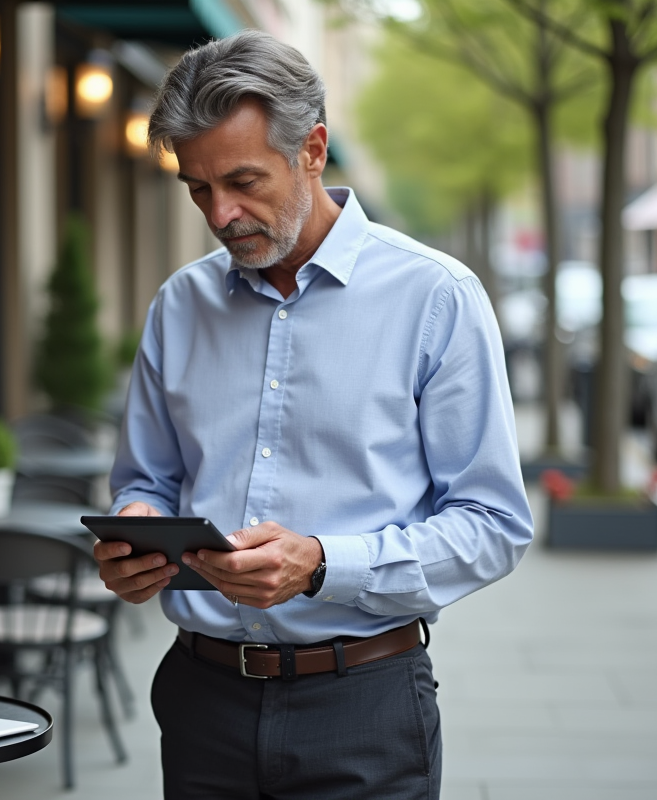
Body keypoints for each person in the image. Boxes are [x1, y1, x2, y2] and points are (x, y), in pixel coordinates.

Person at [93, 29, 533, 800]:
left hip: (364, 705)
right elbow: (148, 480)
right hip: (201, 703)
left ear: (313, 151)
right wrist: (137, 532)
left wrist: (324, 564)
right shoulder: (179, 305)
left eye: (243, 181)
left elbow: (493, 525)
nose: (222, 213)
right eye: (198, 189)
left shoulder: (436, 298)